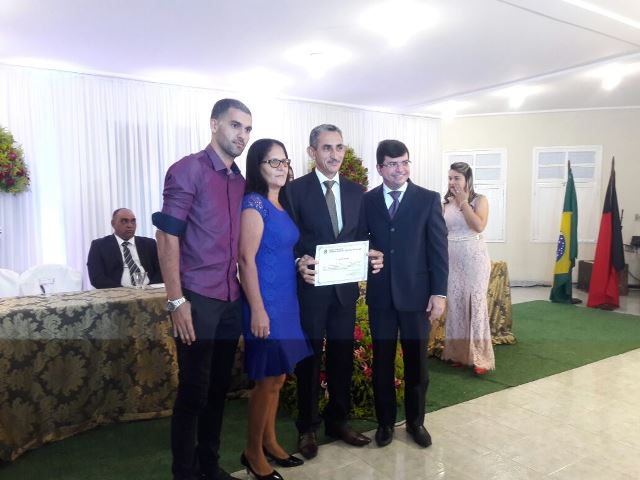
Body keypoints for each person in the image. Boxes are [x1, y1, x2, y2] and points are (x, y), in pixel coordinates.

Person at [152, 98, 252, 480]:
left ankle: (209, 465)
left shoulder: (240, 181)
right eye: (235, 125)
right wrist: (176, 300)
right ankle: (185, 472)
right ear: (214, 124)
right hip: (196, 298)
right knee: (194, 391)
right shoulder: (187, 170)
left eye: (247, 129)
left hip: (230, 298)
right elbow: (166, 237)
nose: (242, 135)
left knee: (218, 389)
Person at [284, 124, 383, 459]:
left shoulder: (357, 192)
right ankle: (307, 427)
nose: (334, 154)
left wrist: (372, 253)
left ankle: (338, 421)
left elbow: (363, 236)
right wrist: (297, 261)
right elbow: (288, 240)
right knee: (309, 360)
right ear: (312, 152)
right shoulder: (294, 191)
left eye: (339, 147)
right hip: (311, 290)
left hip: (344, 291)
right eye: (327, 148)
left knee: (342, 357)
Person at [361, 139, 448, 448]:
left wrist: (439, 293)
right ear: (380, 168)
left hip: (417, 296)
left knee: (417, 365)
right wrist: (367, 256)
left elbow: (438, 250)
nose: (400, 170)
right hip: (381, 297)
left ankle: (415, 422)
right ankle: (385, 423)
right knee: (382, 363)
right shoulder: (367, 201)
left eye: (404, 163)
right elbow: (360, 243)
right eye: (393, 164)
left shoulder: (428, 199)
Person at [238, 138, 311, 480]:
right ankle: (252, 452)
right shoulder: (254, 203)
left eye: (284, 161)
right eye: (273, 162)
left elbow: (280, 250)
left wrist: (300, 262)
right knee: (266, 381)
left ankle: (269, 442)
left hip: (286, 302)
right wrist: (257, 309)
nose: (282, 168)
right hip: (264, 304)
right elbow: (245, 260)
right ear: (258, 166)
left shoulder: (280, 203)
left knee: (279, 378)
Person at [442, 161, 495, 375]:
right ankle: (460, 354)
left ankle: (480, 357)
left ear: (467, 180)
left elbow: (478, 226)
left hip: (475, 258)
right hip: (452, 259)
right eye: (450, 178)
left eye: (457, 178)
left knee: (475, 304)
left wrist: (464, 203)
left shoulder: (479, 200)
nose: (452, 182)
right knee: (456, 305)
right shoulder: (444, 203)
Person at [87, 208, 162, 288]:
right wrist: (123, 291)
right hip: (117, 292)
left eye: (133, 221)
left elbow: (161, 270)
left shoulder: (149, 244)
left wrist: (150, 287)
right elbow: (97, 278)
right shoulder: (99, 246)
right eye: (124, 221)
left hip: (149, 289)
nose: (130, 225)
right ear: (113, 223)